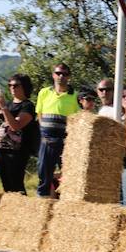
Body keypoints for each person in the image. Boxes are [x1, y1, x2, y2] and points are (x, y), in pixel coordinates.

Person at [35, 63, 79, 197]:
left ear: (69, 77)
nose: (61, 76)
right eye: (58, 73)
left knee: (69, 177)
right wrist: (44, 133)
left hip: (65, 143)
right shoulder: (44, 92)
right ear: (53, 75)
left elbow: (78, 120)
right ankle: (42, 204)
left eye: (64, 74)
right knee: (44, 175)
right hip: (47, 141)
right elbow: (39, 114)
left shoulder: (74, 96)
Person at [0, 73, 36, 194]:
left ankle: (22, 210)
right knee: (6, 185)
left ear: (24, 87)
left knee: (16, 184)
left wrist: (4, 108)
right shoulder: (9, 104)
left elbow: (15, 126)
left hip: (17, 151)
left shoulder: (28, 105)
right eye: (10, 85)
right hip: (1, 149)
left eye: (16, 85)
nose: (12, 88)